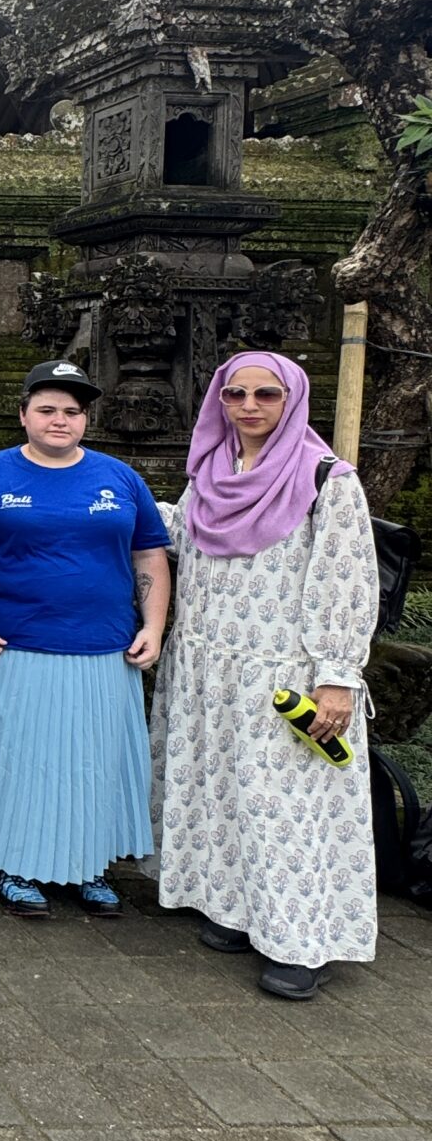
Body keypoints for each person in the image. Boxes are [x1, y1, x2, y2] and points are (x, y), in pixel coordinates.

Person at [152, 351, 380, 1001]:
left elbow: (345, 581)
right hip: (209, 664)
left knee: (282, 806)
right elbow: (186, 538)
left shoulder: (327, 481)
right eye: (236, 394)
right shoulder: (213, 473)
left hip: (284, 672)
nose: (249, 407)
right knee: (222, 791)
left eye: (267, 395)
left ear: (293, 400)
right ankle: (233, 909)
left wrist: (337, 675)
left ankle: (299, 941)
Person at [0, 361, 171, 919]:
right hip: (12, 643)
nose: (60, 420)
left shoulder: (121, 479)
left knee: (93, 761)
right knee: (19, 760)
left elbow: (148, 554)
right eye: (48, 409)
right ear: (23, 415)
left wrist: (153, 626)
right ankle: (14, 862)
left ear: (85, 419)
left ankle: (89, 865)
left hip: (103, 647)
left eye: (72, 411)